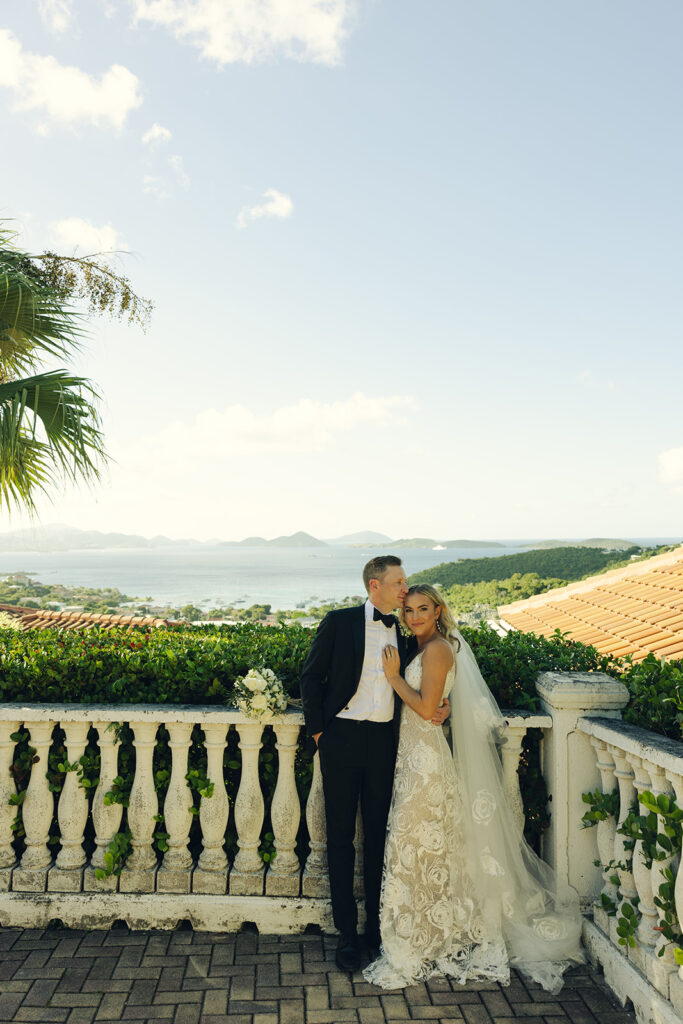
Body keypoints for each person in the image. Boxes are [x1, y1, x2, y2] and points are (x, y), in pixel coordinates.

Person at [363, 583, 585, 993]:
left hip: (425, 764)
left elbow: (427, 707)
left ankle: (422, 938)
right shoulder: (427, 647)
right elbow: (437, 707)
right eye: (408, 610)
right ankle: (429, 930)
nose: (413, 617)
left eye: (422, 609)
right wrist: (436, 707)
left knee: (416, 846)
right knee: (425, 850)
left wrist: (395, 679)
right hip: (415, 756)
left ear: (437, 610)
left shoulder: (439, 649)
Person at [300, 556, 450, 972]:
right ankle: (348, 935)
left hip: (385, 743)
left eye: (405, 583)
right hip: (341, 739)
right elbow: (310, 678)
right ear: (374, 585)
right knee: (341, 837)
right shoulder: (339, 621)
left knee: (382, 838)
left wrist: (444, 706)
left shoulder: (408, 634)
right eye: (398, 583)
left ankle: (377, 931)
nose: (405, 589)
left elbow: (427, 681)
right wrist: (318, 733)